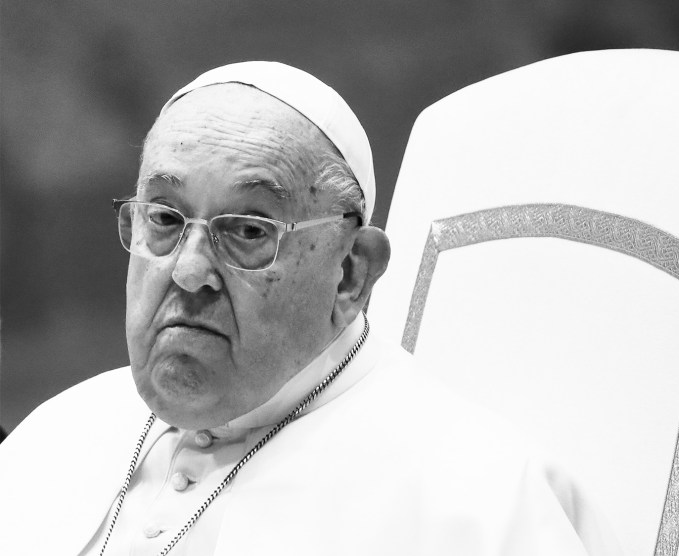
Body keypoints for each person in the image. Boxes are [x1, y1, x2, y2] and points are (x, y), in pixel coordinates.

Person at [0, 62, 617, 555]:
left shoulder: (480, 504)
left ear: (350, 273)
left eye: (246, 230)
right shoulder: (57, 436)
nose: (188, 272)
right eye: (163, 219)